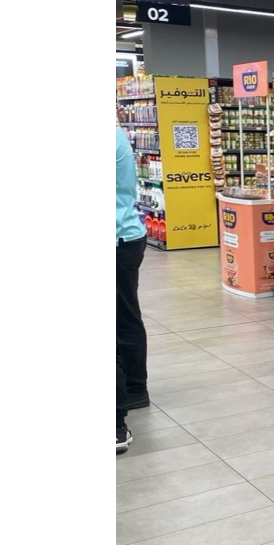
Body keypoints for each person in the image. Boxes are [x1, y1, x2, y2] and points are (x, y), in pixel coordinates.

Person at [116, 127, 148, 453]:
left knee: (122, 319)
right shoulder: (118, 135)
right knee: (127, 315)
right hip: (128, 234)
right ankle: (136, 387)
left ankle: (130, 392)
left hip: (116, 239)